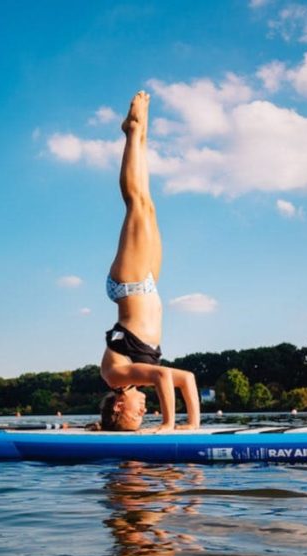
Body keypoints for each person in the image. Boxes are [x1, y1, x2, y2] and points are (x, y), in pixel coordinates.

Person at [98, 91, 200, 432]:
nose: (144, 413)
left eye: (137, 416)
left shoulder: (116, 378)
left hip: (128, 283)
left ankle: (131, 132)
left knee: (136, 204)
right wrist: (192, 425)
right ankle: (139, 135)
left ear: (118, 409)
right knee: (149, 205)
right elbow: (186, 378)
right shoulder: (133, 381)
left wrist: (170, 424)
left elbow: (159, 375)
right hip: (147, 284)